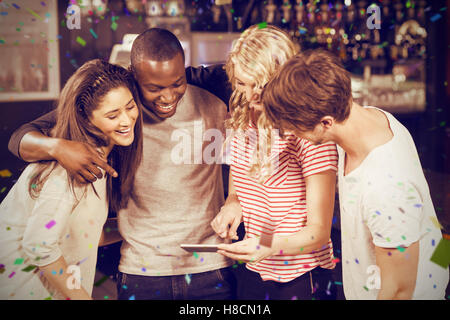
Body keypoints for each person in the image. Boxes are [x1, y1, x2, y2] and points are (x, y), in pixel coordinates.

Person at [7, 28, 235, 300]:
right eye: (154, 88)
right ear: (134, 76)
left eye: (177, 83)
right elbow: (19, 139)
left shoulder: (212, 88)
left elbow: (268, 83)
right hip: (141, 272)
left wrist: (235, 198)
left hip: (211, 268)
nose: (168, 96)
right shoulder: (114, 101)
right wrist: (59, 147)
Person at [262, 49, 449, 299]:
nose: (292, 134)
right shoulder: (369, 118)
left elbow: (399, 292)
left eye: (294, 128)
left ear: (326, 123)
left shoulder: (386, 189)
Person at [209, 25, 339, 300]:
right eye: (242, 84)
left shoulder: (308, 127)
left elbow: (318, 231)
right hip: (255, 267)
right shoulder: (243, 112)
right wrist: (233, 203)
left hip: (301, 275)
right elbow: (240, 174)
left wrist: (266, 246)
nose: (251, 95)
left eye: (260, 84)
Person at [0, 59, 143, 300]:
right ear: (87, 119)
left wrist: (136, 227)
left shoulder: (98, 160)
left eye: (130, 107)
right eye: (113, 115)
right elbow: (39, 247)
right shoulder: (69, 169)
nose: (127, 121)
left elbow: (85, 236)